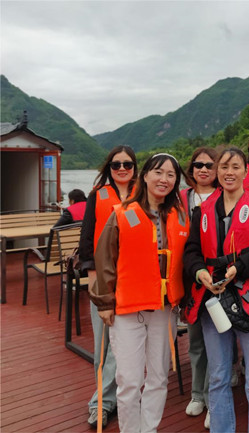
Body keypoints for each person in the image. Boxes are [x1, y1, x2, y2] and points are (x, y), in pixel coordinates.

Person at [183, 147, 249, 433]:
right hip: (213, 299)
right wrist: (199, 271)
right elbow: (191, 250)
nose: (229, 172)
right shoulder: (203, 210)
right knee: (218, 377)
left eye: (236, 167)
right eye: (224, 167)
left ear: (245, 172)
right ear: (217, 172)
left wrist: (240, 266)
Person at [90, 153, 189, 433]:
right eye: (158, 172)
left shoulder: (180, 216)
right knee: (129, 380)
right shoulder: (122, 213)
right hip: (128, 308)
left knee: (158, 377)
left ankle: (150, 429)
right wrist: (104, 302)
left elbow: (187, 259)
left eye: (171, 174)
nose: (164, 179)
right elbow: (105, 260)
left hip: (164, 309)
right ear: (144, 176)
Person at [79, 146, 137, 428]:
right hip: (104, 278)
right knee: (103, 345)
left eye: (127, 164)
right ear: (109, 168)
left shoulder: (143, 195)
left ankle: (112, 400)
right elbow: (86, 236)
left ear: (135, 167)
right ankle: (100, 403)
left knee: (124, 346)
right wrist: (91, 274)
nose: (122, 169)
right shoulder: (97, 195)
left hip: (133, 279)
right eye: (116, 165)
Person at [180, 147, 218, 429]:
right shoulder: (181, 198)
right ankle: (197, 394)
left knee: (217, 343)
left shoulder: (224, 197)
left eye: (209, 165)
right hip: (190, 277)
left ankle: (212, 399)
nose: (203, 169)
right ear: (191, 169)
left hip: (218, 279)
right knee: (195, 341)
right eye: (198, 165)